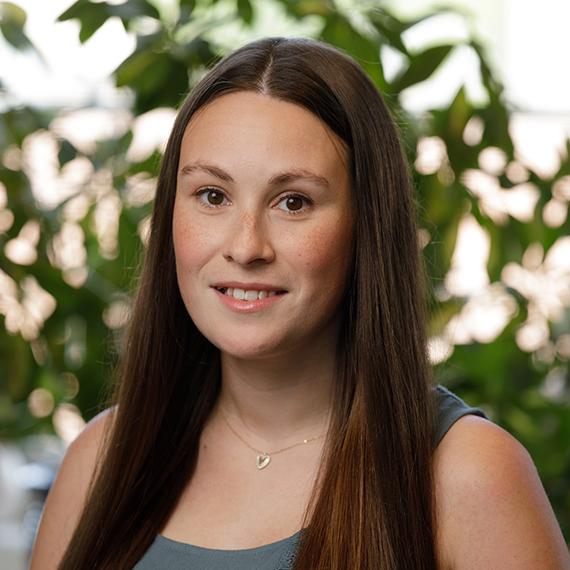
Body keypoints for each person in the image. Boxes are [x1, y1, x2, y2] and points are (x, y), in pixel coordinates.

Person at [29, 36, 569, 570]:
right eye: (212, 196)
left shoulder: (467, 474)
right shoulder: (101, 459)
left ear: (367, 227)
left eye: (294, 202)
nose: (245, 247)